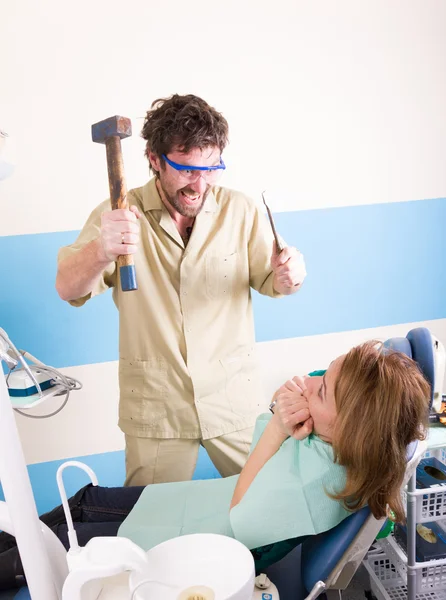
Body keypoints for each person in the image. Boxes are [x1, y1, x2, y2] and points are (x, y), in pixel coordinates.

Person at [0, 341, 430, 592]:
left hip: (200, 540)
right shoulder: (353, 441)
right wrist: (301, 402)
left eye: (321, 390)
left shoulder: (310, 487)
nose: (309, 381)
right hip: (203, 504)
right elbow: (311, 386)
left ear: (354, 427)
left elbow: (239, 517)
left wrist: (278, 428)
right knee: (83, 501)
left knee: (51, 550)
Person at [55, 94, 307, 486]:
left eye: (212, 169)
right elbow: (67, 287)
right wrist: (101, 250)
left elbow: (273, 280)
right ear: (154, 160)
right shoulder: (121, 212)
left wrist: (290, 276)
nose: (200, 184)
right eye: (187, 170)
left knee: (271, 503)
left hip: (231, 399)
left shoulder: (239, 211)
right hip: (157, 408)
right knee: (149, 526)